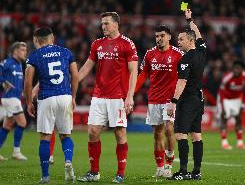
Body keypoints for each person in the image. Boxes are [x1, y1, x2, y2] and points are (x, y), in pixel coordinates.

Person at [77, 12, 138, 183]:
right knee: (93, 131)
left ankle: (120, 173)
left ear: (116, 25)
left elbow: (134, 71)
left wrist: (130, 96)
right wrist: (72, 82)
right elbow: (86, 67)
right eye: (102, 24)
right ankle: (94, 172)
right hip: (99, 96)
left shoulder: (127, 44)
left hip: (118, 96)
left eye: (107, 23)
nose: (103, 26)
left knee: (119, 133)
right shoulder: (97, 44)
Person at [24, 27, 79, 183]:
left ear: (36, 40)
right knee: (66, 135)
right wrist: (73, 97)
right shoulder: (66, 52)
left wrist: (29, 101)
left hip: (46, 97)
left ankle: (46, 175)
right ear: (52, 38)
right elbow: (75, 75)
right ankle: (68, 161)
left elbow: (28, 82)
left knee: (45, 137)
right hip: (64, 96)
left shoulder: (34, 55)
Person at [135, 25, 183, 178]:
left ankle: (169, 164)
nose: (159, 38)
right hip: (154, 99)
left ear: (169, 37)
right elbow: (143, 75)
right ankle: (160, 166)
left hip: (170, 100)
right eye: (157, 36)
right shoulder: (150, 54)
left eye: (162, 35)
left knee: (169, 130)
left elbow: (185, 76)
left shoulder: (178, 54)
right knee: (157, 134)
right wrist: (132, 92)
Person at [167, 8, 206, 180]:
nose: (178, 41)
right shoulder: (201, 52)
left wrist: (173, 101)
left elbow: (181, 82)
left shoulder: (185, 59)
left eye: (181, 39)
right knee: (196, 135)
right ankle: (196, 172)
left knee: (180, 134)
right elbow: (198, 34)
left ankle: (183, 172)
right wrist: (190, 20)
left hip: (188, 99)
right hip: (199, 99)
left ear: (190, 41)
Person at [0, 42, 28, 161]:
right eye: (22, 49)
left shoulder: (19, 64)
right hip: (9, 98)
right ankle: (16, 152)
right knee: (22, 123)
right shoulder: (7, 62)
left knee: (7, 125)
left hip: (14, 98)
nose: (25, 52)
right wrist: (3, 81)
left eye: (25, 50)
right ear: (15, 51)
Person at [216, 60, 245, 150]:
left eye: (238, 68)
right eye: (235, 68)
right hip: (225, 99)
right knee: (224, 118)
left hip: (237, 99)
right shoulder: (227, 78)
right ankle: (224, 143)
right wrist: (223, 106)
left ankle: (240, 143)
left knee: (239, 119)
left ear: (242, 69)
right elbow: (221, 92)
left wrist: (243, 104)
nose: (236, 70)